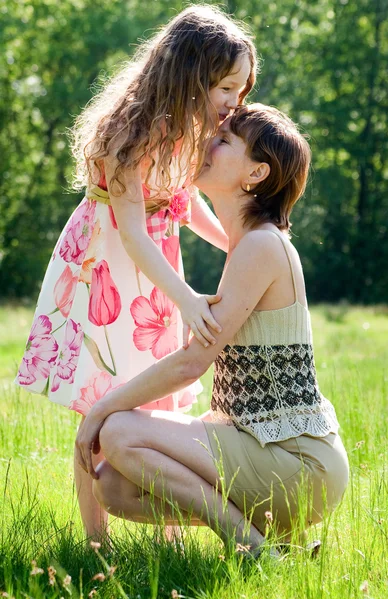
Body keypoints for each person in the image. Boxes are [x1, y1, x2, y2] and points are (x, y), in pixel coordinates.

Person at [15, 6, 258, 540]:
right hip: (107, 267)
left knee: (159, 400)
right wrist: (188, 297)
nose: (234, 103)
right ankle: (95, 543)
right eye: (226, 87)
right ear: (191, 74)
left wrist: (233, 243)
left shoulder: (194, 128)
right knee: (104, 400)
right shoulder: (130, 128)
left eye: (240, 91)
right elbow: (132, 232)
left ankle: (168, 536)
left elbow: (181, 200)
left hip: (155, 273)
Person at [75, 104, 349, 554]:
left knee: (119, 432)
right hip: (262, 448)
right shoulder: (248, 244)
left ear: (255, 174)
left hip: (298, 461)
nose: (207, 144)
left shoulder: (262, 244)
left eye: (223, 141)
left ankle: (252, 548)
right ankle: (278, 542)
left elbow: (191, 365)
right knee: (115, 488)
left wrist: (101, 409)